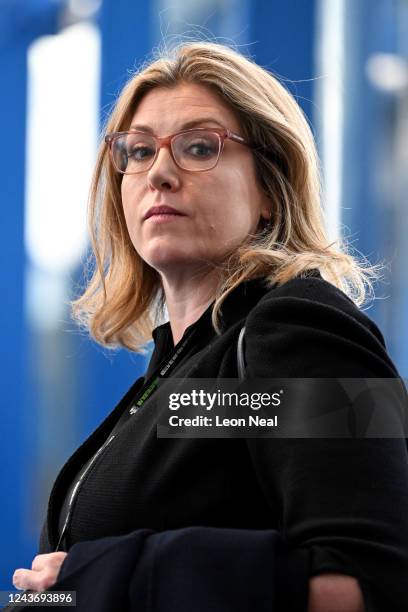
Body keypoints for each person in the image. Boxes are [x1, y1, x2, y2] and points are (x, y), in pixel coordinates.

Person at [11, 41, 408, 612]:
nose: (160, 174)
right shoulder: (178, 379)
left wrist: (121, 571)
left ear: (270, 189)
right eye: (139, 151)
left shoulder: (304, 328)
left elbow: (372, 583)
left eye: (199, 147)